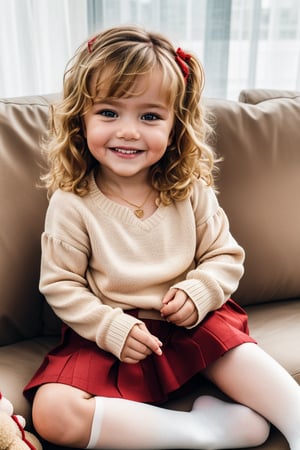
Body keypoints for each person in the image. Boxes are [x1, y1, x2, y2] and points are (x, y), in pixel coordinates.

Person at [24, 25, 300, 450]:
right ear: (81, 119)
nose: (129, 131)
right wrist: (110, 326)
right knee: (51, 412)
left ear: (176, 126)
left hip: (192, 322)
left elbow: (224, 256)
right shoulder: (72, 201)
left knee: (240, 356)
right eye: (109, 113)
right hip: (111, 334)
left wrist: (199, 292)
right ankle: (205, 431)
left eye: (150, 116)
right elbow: (61, 284)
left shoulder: (188, 188)